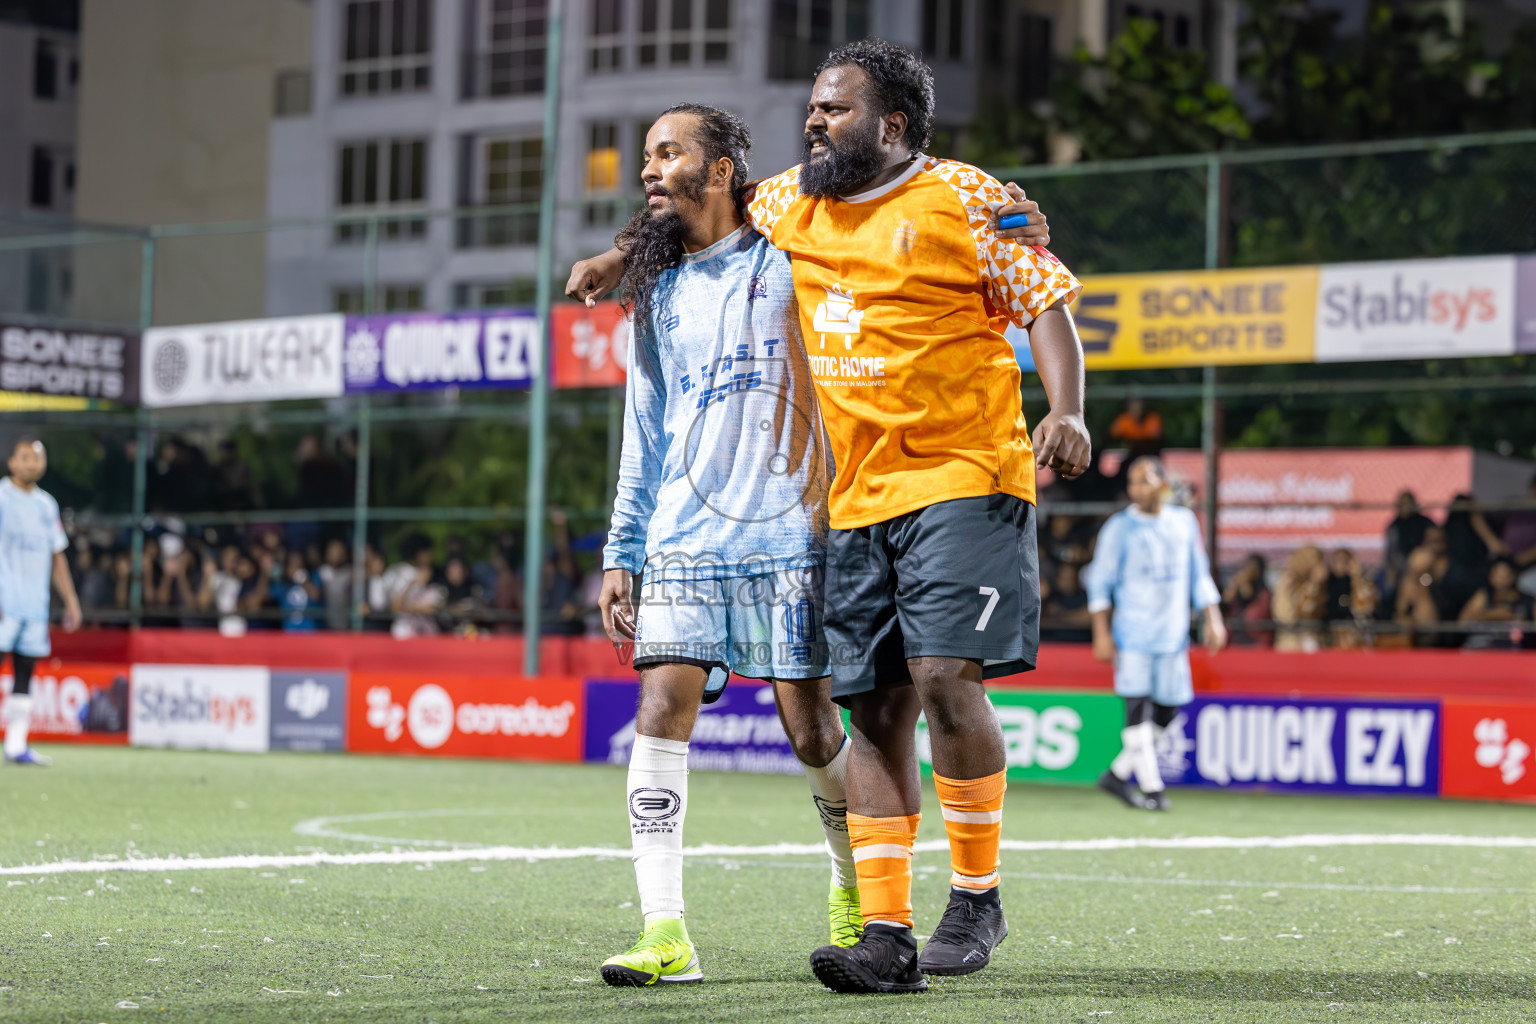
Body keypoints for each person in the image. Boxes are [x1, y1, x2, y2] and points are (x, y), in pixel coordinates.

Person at [569, 44, 1078, 994]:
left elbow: (1033, 282)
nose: (813, 121)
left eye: (833, 109)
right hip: (773, 520)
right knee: (800, 706)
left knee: (881, 705)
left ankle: (927, 898)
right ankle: (811, 930)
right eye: (810, 108)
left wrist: (1062, 380)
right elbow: (651, 401)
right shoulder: (734, 243)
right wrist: (617, 255)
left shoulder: (884, 214)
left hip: (889, 499)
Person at [582, 103, 854, 989]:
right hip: (684, 537)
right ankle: (665, 932)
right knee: (661, 707)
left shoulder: (792, 253)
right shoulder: (653, 291)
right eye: (647, 157)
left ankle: (856, 899)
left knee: (811, 726)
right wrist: (622, 548)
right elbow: (645, 433)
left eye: (670, 152)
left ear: (725, 167)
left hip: (791, 531)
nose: (650, 169)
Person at [1084, 457, 1227, 813]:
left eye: (1144, 481)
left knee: (1168, 710)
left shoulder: (1183, 523)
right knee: (1136, 708)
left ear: (1162, 483)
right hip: (1133, 635)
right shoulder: (1119, 528)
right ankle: (1153, 788)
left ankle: (1117, 775)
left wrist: (1214, 618)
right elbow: (1099, 582)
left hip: (1173, 636)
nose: (1137, 489)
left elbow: (1199, 573)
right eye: (1132, 483)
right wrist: (1101, 632)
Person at [0, 437, 83, 766]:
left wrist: (72, 602)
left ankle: (16, 745)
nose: (31, 463)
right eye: (24, 458)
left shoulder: (47, 505)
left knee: (25, 670)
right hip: (4, 601)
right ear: (11, 462)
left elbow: (57, 557)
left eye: (36, 458)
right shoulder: (2, 497)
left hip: (35, 605)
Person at [1457, 558, 1534, 649]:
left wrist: (1522, 622)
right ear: (1490, 576)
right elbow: (1462, 622)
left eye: (1505, 576)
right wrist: (1494, 615)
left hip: (1516, 650)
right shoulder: (1483, 595)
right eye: (1497, 575)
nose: (1501, 580)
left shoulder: (1527, 600)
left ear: (1513, 576)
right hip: (1482, 648)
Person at [1221, 554, 1272, 647]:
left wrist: (1246, 588)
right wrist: (1231, 590)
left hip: (1256, 642)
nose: (1248, 572)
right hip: (1236, 641)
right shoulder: (1237, 589)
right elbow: (1224, 608)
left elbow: (1259, 616)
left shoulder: (1264, 594)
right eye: (1246, 568)